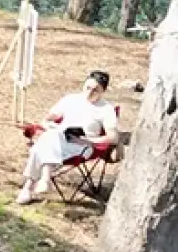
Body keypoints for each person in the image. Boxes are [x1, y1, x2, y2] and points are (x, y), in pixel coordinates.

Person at [16, 71, 120, 205]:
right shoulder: (71, 99)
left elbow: (113, 138)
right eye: (87, 88)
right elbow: (49, 117)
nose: (89, 92)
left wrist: (88, 141)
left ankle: (28, 188)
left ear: (103, 91)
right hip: (59, 138)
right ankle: (44, 179)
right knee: (53, 134)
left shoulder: (106, 109)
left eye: (95, 90)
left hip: (82, 145)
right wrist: (47, 123)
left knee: (43, 144)